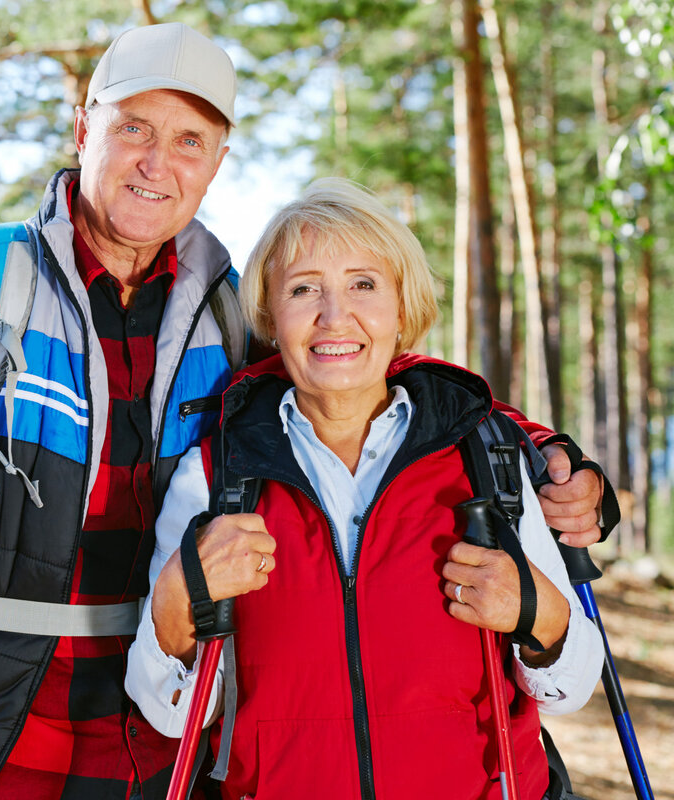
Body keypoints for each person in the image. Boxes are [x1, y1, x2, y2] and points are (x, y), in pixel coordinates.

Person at [0, 23, 604, 800]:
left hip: (180, 748)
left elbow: (351, 371)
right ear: (82, 128)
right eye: (132, 128)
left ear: (216, 163)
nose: (156, 162)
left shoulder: (228, 311)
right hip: (10, 743)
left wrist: (539, 451)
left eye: (189, 140)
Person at [125, 178, 604, 800]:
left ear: (401, 309)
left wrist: (536, 611)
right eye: (303, 290)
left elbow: (571, 686)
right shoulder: (217, 476)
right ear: (271, 318)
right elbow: (170, 714)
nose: (334, 315)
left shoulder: (486, 459)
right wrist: (178, 600)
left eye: (363, 284)